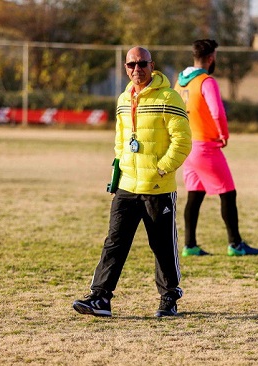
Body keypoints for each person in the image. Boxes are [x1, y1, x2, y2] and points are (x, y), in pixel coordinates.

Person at [73, 46, 192, 317]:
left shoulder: (169, 97)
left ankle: (169, 296)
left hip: (157, 187)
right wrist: (120, 165)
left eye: (141, 64)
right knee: (114, 241)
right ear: (125, 68)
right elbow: (120, 138)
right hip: (127, 185)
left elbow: (183, 141)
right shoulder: (123, 98)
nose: (136, 69)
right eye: (131, 65)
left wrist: (161, 169)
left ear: (152, 65)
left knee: (162, 245)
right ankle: (100, 298)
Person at [174, 39, 258, 257]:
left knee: (195, 195)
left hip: (187, 146)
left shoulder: (180, 82)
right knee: (228, 193)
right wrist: (224, 134)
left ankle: (190, 245)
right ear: (211, 58)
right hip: (205, 146)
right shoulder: (206, 81)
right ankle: (235, 244)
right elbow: (218, 112)